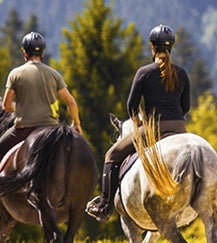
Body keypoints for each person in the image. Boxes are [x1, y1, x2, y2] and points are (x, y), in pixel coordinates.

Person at [86, 24, 190, 223]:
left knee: (111, 155)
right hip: (180, 128)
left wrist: (139, 124)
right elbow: (185, 106)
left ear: (152, 48)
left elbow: (131, 106)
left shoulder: (144, 73)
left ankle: (104, 208)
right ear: (171, 48)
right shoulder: (182, 73)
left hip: (153, 128)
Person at [2, 31, 81, 160]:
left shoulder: (15, 74)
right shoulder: (54, 74)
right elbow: (71, 102)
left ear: (25, 53)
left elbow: (6, 105)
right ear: (42, 53)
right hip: (51, 129)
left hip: (23, 129)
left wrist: (23, 108)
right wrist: (76, 123)